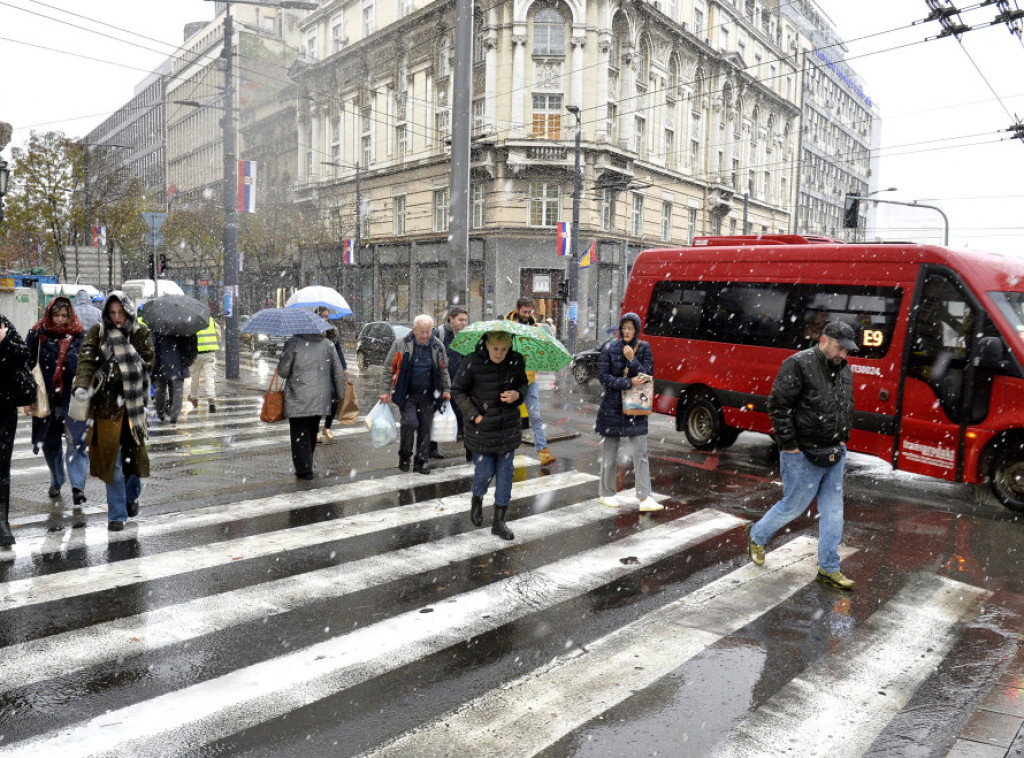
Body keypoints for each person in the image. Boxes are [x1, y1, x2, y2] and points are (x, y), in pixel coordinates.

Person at [745, 320, 858, 590]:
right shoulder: (798, 364)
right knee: (794, 507)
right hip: (803, 453)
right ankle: (758, 535)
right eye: (840, 348)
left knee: (834, 513)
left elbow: (846, 404)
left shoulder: (844, 369)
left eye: (847, 350)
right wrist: (790, 446)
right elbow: (778, 405)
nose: (843, 355)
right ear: (823, 341)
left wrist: (843, 438)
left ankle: (829, 568)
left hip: (834, 452)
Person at [72, 292, 154, 531]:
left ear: (129, 311)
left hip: (133, 407)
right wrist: (81, 385)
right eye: (112, 313)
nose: (117, 318)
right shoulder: (97, 332)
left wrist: (116, 367)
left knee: (134, 464)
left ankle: (132, 496)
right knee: (114, 463)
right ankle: (116, 515)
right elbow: (85, 362)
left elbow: (147, 364)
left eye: (121, 312)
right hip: (106, 409)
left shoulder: (140, 333)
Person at [451, 330, 529, 540]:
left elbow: (523, 385)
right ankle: (477, 498)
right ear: (487, 344)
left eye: (504, 349)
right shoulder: (472, 361)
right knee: (484, 471)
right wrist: (475, 416)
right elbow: (458, 390)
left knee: (505, 474)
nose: (499, 353)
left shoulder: (516, 360)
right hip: (482, 428)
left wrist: (517, 395)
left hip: (508, 427)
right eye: (495, 349)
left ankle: (499, 521)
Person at [25, 296, 89, 504]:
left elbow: (90, 366)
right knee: (50, 444)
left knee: (76, 443)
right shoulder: (38, 334)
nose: (61, 319)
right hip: (47, 400)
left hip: (73, 399)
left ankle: (78, 487)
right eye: (56, 315)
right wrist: (28, 397)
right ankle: (56, 479)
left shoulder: (80, 334)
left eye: (64, 315)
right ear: (49, 314)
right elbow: (27, 367)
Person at [596, 312, 662, 512]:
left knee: (640, 452)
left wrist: (633, 360)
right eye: (623, 328)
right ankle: (606, 493)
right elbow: (603, 377)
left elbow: (648, 375)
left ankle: (645, 497)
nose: (626, 331)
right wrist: (626, 382)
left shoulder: (644, 348)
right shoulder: (610, 348)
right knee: (610, 452)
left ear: (636, 330)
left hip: (636, 407)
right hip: (612, 407)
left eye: (630, 328)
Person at [380, 314, 451, 475]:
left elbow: (443, 370)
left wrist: (447, 390)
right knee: (409, 423)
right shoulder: (401, 344)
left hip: (429, 395)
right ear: (414, 330)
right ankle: (405, 456)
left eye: (428, 332)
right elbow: (388, 369)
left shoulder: (437, 346)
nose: (425, 336)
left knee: (426, 428)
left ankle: (421, 461)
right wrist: (385, 391)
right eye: (422, 332)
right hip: (408, 394)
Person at [276, 328, 346, 480]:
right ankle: (307, 463)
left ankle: (304, 469)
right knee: (312, 431)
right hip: (320, 399)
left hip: (298, 398)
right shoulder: (328, 344)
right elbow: (338, 372)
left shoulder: (293, 343)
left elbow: (283, 372)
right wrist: (341, 394)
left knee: (299, 434)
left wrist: (283, 360)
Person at [505, 297, 556, 466]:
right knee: (508, 417)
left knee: (536, 417)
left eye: (529, 312)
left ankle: (543, 452)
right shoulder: (506, 327)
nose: (527, 315)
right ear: (517, 310)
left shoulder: (536, 329)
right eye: (524, 312)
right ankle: (505, 452)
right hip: (510, 380)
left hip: (529, 380)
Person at [0, 314, 30, 546]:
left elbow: (24, 356)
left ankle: (2, 522)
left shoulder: (2, 323)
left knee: (1, 468)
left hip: (3, 409)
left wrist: (4, 342)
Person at [429, 305, 469, 460]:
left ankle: (470, 450)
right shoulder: (440, 334)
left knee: (465, 416)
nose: (463, 323)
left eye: (465, 320)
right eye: (460, 320)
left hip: (459, 385)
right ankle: (432, 448)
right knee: (436, 415)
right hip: (441, 384)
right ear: (451, 319)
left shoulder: (465, 336)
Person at [151, 328, 198, 424]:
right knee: (177, 390)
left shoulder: (158, 326)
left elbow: (155, 347)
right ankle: (174, 415)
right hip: (179, 363)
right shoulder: (182, 326)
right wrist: (188, 359)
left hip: (161, 362)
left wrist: (155, 363)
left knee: (161, 390)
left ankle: (161, 413)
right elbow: (192, 345)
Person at [316, 307, 348, 443]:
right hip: (317, 370)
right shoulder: (312, 331)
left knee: (335, 398)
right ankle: (315, 430)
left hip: (332, 368)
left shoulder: (332, 330)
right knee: (318, 400)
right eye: (322, 316)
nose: (325, 319)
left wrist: (344, 367)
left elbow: (338, 349)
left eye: (326, 316)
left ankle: (327, 427)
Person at [189, 316, 220, 413]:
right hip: (209, 352)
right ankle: (211, 398)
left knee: (195, 377)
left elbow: (188, 338)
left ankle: (194, 398)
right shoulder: (211, 321)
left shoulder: (192, 321)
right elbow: (218, 335)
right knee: (209, 377)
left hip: (196, 354)